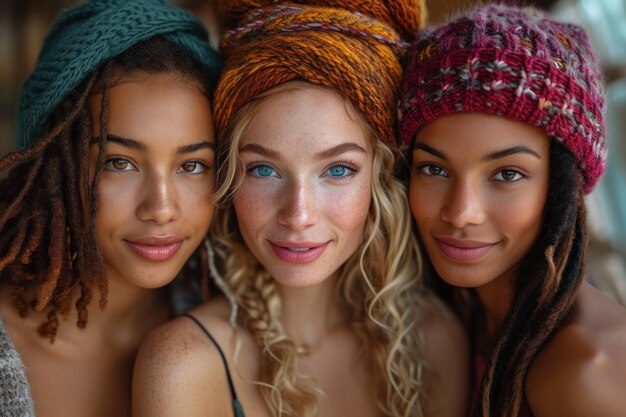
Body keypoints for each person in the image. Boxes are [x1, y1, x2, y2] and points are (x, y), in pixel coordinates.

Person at [133, 1, 468, 417]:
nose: (298, 213)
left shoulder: (436, 342)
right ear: (227, 176)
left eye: (339, 170)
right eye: (263, 170)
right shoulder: (184, 363)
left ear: (381, 176)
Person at [399, 4, 626, 417]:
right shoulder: (462, 322)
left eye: (507, 174)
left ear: (562, 186)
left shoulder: (588, 372)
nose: (461, 212)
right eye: (433, 168)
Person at [0, 0, 221, 416]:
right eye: (119, 162)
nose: (161, 208)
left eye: (192, 165)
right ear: (51, 162)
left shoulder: (242, 336)